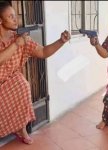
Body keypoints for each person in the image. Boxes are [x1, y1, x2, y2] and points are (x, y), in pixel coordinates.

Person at [0, 1, 70, 144]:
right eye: (11, 16)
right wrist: (15, 45)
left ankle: (21, 129)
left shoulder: (19, 38)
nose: (16, 19)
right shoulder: (17, 41)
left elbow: (43, 52)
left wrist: (60, 41)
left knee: (22, 84)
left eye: (16, 16)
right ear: (0, 20)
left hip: (11, 81)